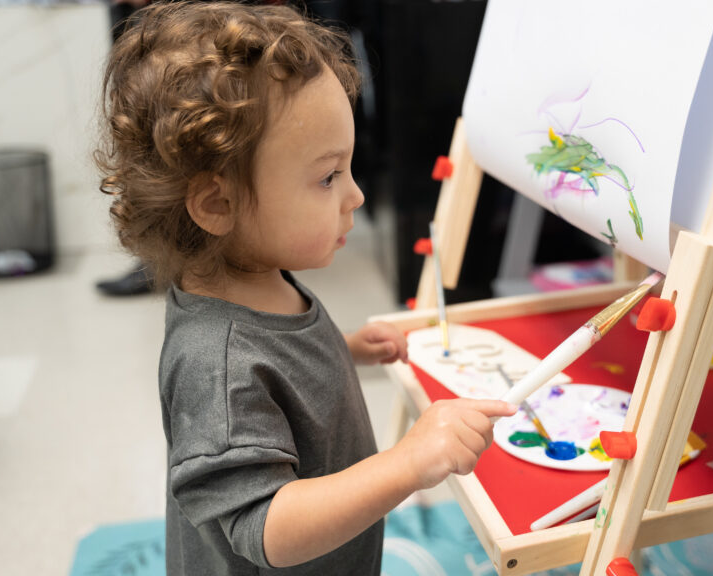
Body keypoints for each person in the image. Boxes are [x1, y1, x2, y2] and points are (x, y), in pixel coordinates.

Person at [93, 2, 516, 574]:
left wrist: (344, 346)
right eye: (327, 176)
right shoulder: (211, 364)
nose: (356, 196)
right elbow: (267, 527)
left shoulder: (252, 274)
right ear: (218, 203)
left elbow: (274, 366)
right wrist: (408, 462)